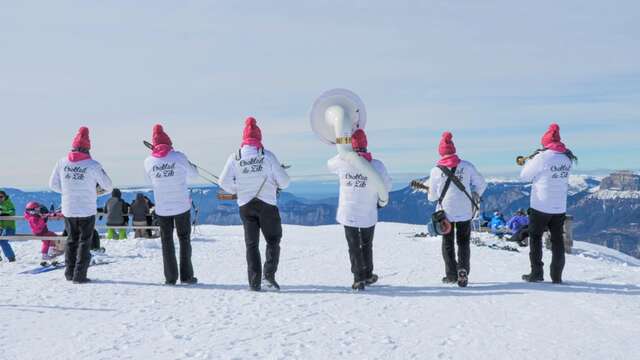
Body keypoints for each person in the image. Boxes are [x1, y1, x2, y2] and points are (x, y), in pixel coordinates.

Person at [219, 117, 290, 291]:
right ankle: (268, 276)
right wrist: (274, 184)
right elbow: (285, 182)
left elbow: (223, 182)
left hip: (245, 205)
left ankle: (254, 282)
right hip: (267, 204)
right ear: (259, 138)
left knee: (251, 244)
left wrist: (238, 188)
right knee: (273, 239)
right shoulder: (267, 156)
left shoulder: (234, 157)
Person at [327, 129, 391, 291]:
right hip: (368, 212)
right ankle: (368, 274)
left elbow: (329, 164)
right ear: (365, 144)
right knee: (367, 244)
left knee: (353, 246)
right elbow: (387, 186)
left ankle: (358, 278)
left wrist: (343, 146)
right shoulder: (376, 165)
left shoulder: (342, 161)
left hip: (348, 212)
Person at [49, 126, 113, 283]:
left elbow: (52, 184)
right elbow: (108, 186)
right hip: (86, 208)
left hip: (69, 208)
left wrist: (67, 192)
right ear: (88, 148)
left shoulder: (62, 162)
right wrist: (96, 192)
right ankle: (80, 275)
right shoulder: (93, 164)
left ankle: (69, 273)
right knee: (85, 241)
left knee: (71, 239)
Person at [428, 132, 486, 287]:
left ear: (440, 152)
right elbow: (481, 184)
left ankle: (451, 275)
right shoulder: (466, 166)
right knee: (463, 242)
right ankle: (463, 270)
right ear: (453, 149)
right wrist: (475, 195)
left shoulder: (435, 171)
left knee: (447, 243)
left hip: (445, 213)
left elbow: (432, 197)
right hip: (465, 211)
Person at [520, 123, 576, 284]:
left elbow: (524, 176)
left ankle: (536, 273)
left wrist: (530, 160)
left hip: (540, 205)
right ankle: (557, 275)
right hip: (559, 206)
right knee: (557, 239)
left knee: (536, 237)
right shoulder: (567, 157)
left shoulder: (542, 156)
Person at [144, 124, 199, 285]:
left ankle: (170, 277)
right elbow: (194, 175)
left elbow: (149, 182)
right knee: (184, 239)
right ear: (168, 142)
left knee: (166, 241)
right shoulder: (179, 157)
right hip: (181, 206)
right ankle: (187, 276)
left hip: (162, 208)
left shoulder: (148, 161)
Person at [0, 190, 17, 262]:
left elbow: (12, 212)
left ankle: (11, 258)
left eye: (1, 197)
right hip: (1, 227)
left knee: (3, 241)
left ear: (4, 197)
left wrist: (4, 213)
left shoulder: (9, 204)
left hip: (9, 228)